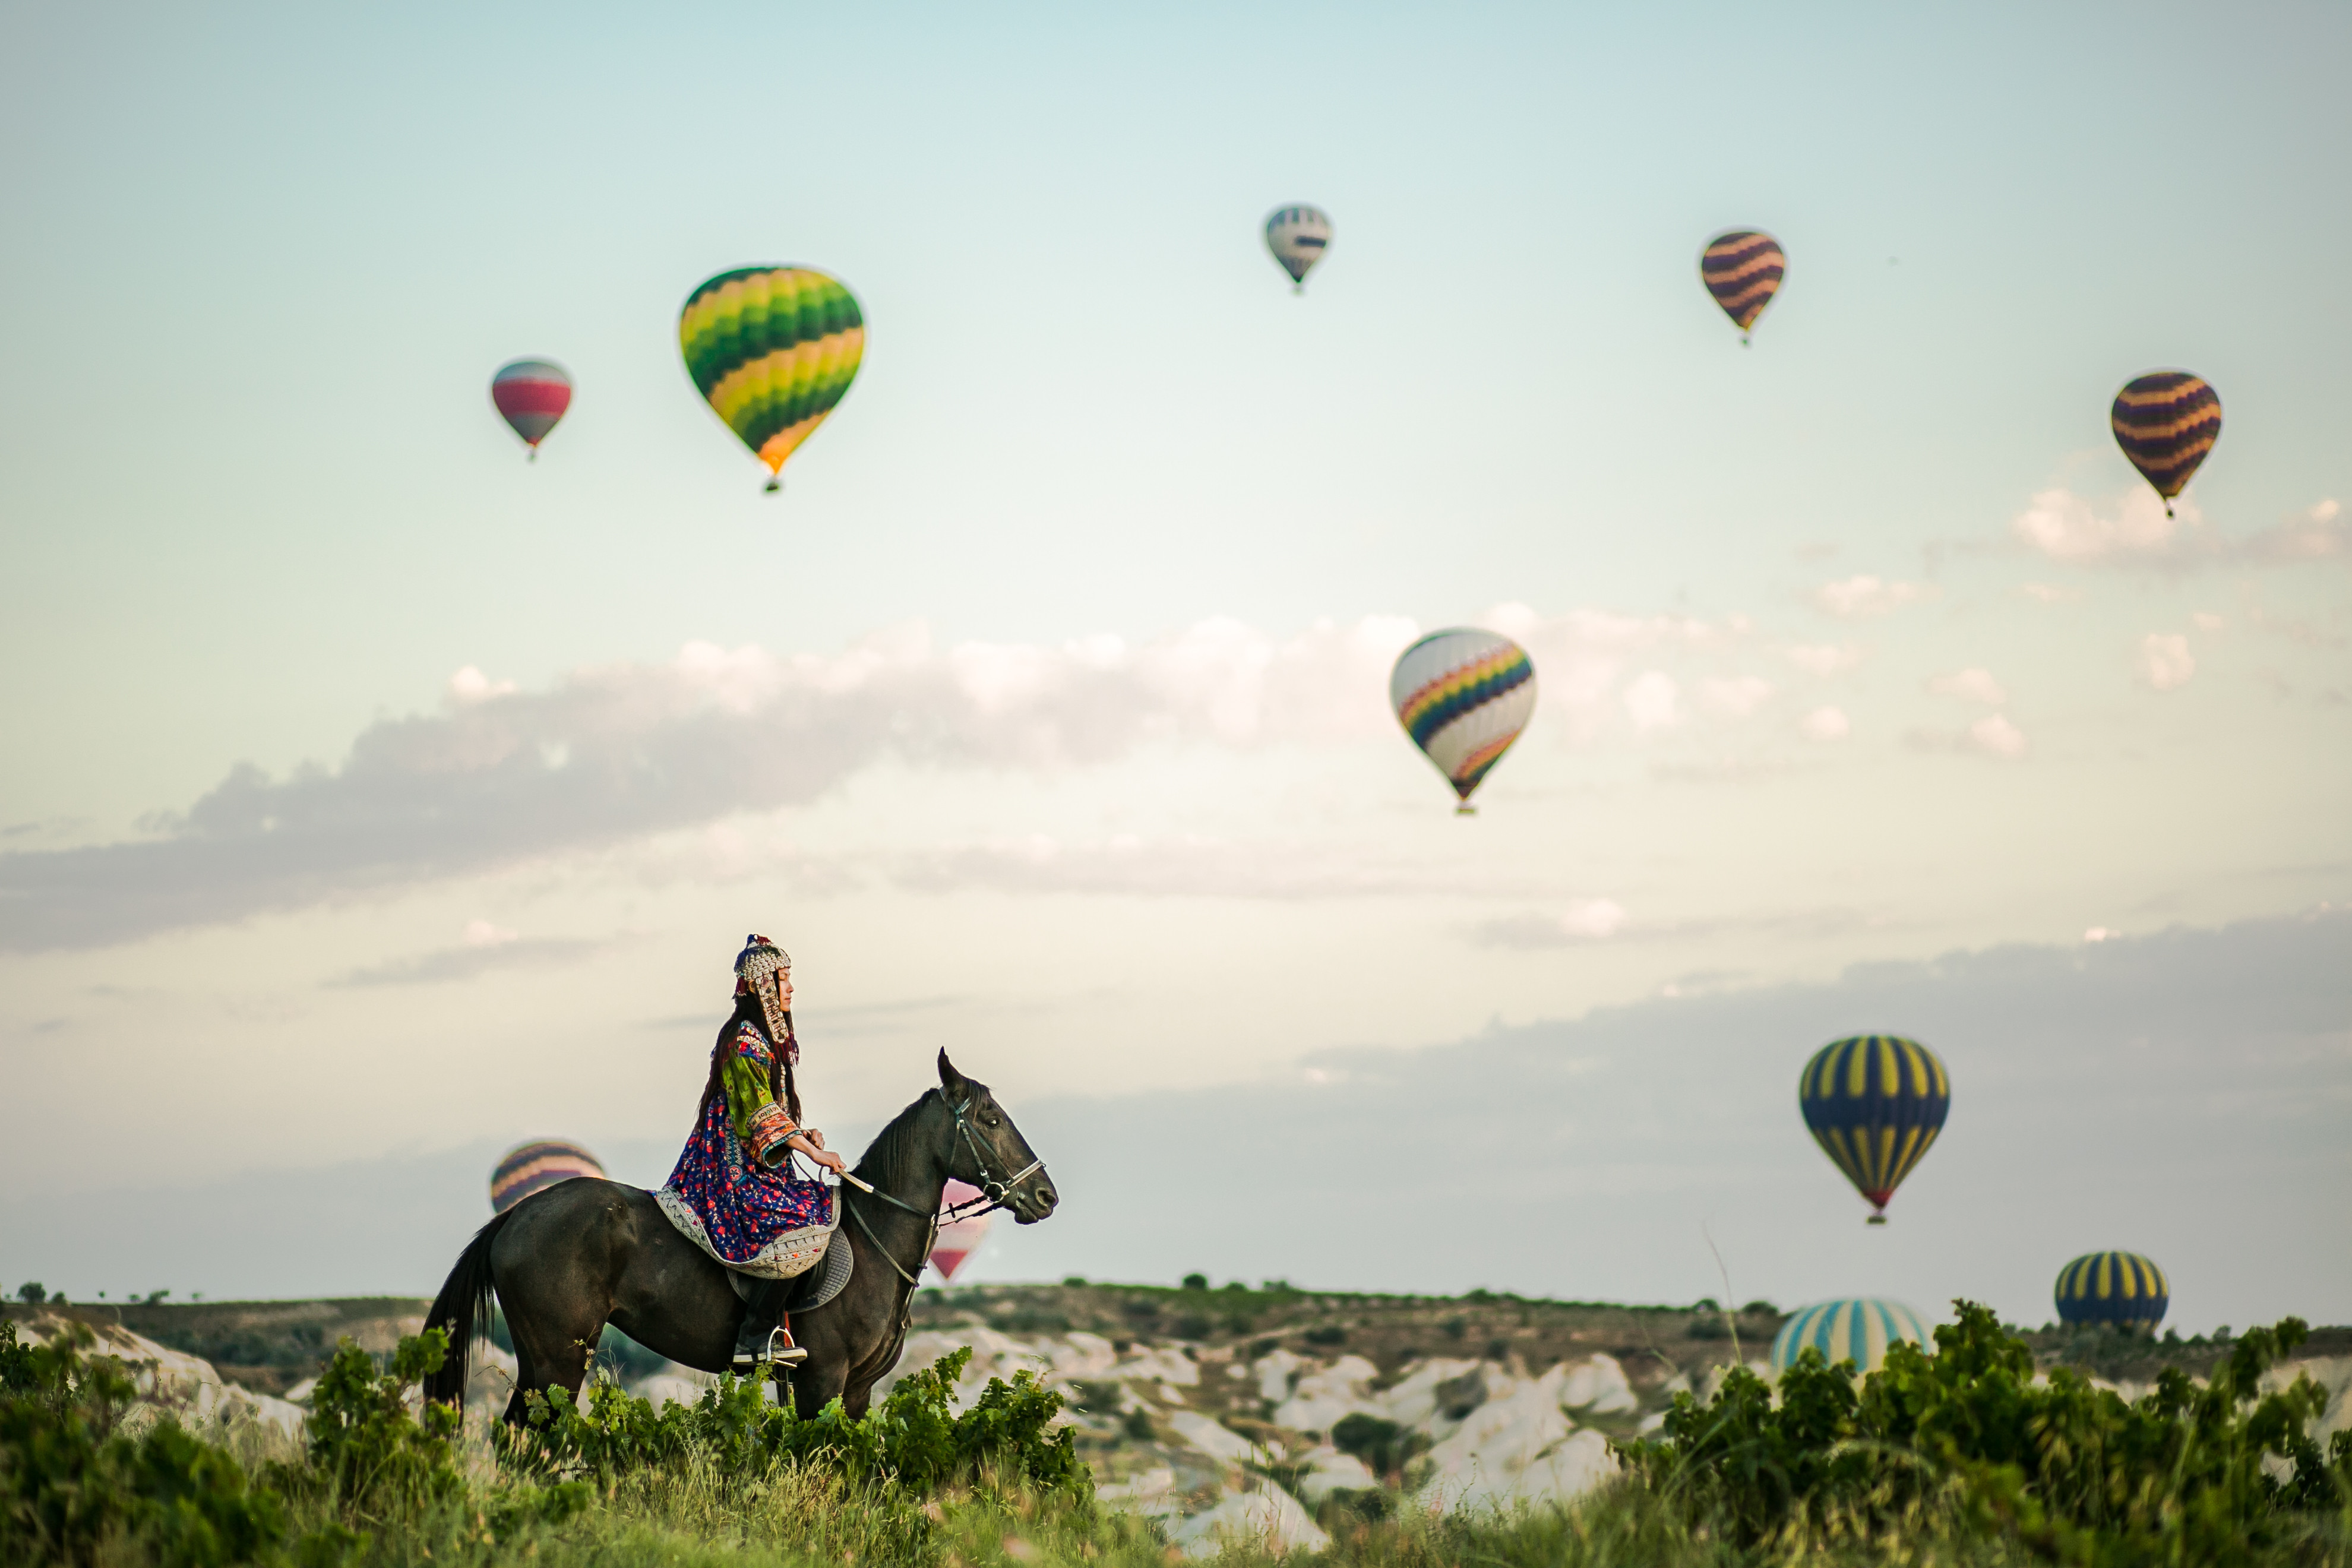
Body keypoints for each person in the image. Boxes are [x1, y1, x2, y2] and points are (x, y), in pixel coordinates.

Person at [655, 934, 848, 1371]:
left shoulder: (762, 1044)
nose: (791, 989)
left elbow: (772, 1113)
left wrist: (803, 1134)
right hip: (730, 1172)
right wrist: (813, 1155)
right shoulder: (744, 1044)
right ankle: (754, 1337)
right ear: (763, 987)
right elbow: (760, 1115)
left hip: (758, 1163)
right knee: (797, 1222)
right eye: (783, 980)